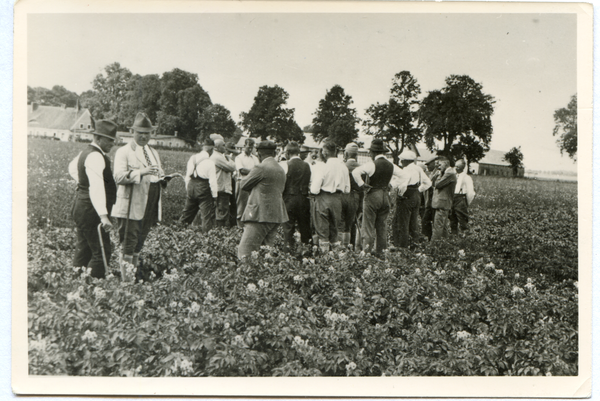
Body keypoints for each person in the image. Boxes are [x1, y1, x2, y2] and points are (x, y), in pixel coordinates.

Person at [112, 112, 167, 279]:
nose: (144, 136)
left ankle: (132, 277)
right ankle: (126, 282)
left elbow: (156, 173)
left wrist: (163, 178)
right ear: (132, 132)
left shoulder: (152, 152)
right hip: (132, 202)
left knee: (139, 242)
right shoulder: (124, 152)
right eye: (140, 133)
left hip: (150, 201)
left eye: (147, 133)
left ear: (152, 134)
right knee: (129, 242)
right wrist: (141, 172)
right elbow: (119, 177)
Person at [68, 119, 118, 279]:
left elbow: (72, 168)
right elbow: (96, 187)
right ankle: (92, 287)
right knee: (101, 253)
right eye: (109, 140)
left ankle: (75, 283)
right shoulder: (96, 156)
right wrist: (104, 216)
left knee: (84, 248)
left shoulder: (86, 152)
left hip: (82, 207)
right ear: (98, 138)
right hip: (91, 211)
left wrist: (82, 184)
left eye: (113, 140)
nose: (112, 144)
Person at [352, 139, 405, 256]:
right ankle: (381, 252)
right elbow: (404, 176)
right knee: (382, 226)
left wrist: (362, 184)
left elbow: (355, 172)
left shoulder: (372, 164)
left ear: (373, 153)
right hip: (385, 196)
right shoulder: (391, 165)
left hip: (373, 195)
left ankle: (366, 251)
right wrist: (392, 185)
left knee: (368, 225)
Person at [238, 140, 289, 259]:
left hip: (259, 215)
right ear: (274, 153)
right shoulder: (280, 169)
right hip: (276, 214)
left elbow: (243, 185)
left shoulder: (260, 167)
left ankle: (246, 276)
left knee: (245, 251)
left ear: (259, 154)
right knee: (266, 252)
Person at [310, 141, 350, 252]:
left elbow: (314, 189)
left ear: (325, 152)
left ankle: (324, 257)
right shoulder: (344, 168)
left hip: (323, 197)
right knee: (335, 230)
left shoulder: (323, 167)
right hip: (337, 199)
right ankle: (335, 257)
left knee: (322, 230)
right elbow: (347, 189)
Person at [391, 149, 432, 248]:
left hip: (406, 196)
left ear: (405, 161)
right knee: (414, 223)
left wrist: (400, 194)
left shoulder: (405, 170)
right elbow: (428, 183)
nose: (400, 162)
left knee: (403, 223)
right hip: (416, 196)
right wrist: (418, 190)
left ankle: (402, 247)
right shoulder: (418, 169)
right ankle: (415, 245)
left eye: (401, 160)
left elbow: (403, 184)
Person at [179, 141, 219, 232]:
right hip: (203, 188)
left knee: (187, 213)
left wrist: (189, 190)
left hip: (191, 186)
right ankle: (206, 238)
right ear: (211, 149)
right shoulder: (210, 163)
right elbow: (213, 181)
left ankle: (178, 232)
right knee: (206, 216)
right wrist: (215, 196)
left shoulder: (193, 158)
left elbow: (187, 177)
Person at [280, 141, 312, 253]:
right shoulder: (307, 165)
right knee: (305, 227)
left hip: (289, 198)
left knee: (288, 228)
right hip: (304, 198)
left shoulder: (285, 165)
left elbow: (281, 183)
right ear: (298, 152)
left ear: (287, 153)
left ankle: (288, 253)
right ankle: (306, 252)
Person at [210, 138, 236, 227]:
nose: (225, 147)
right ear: (217, 147)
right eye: (223, 145)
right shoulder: (217, 157)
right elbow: (232, 167)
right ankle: (220, 231)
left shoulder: (219, 156)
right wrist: (229, 158)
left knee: (220, 210)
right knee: (222, 210)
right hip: (221, 188)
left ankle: (217, 229)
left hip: (220, 187)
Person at [430, 156, 457, 242]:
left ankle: (433, 245)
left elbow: (438, 184)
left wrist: (438, 175)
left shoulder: (449, 173)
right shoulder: (446, 172)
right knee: (443, 226)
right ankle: (445, 244)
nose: (438, 167)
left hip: (442, 203)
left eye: (440, 164)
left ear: (446, 164)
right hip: (443, 203)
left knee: (438, 225)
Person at [340, 142, 361, 249]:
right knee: (352, 222)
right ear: (356, 155)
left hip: (343, 195)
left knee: (342, 223)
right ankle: (350, 246)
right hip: (356, 197)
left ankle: (342, 247)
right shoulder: (361, 168)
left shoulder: (342, 166)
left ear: (346, 154)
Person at [235, 138, 259, 228]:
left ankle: (249, 225)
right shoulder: (239, 158)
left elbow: (259, 169)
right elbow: (242, 170)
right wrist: (254, 172)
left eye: (251, 147)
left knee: (252, 204)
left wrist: (254, 173)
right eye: (248, 147)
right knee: (241, 205)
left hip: (253, 184)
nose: (250, 149)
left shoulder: (255, 158)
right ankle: (239, 226)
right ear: (244, 146)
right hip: (243, 183)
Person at [450, 159, 476, 236]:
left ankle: (465, 233)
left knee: (462, 217)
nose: (456, 168)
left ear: (462, 167)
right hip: (452, 197)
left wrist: (466, 202)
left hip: (461, 198)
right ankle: (454, 233)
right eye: (456, 166)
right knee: (452, 217)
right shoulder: (453, 176)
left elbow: (471, 192)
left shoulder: (466, 177)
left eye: (458, 167)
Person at [421, 155, 438, 240]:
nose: (427, 167)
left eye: (429, 165)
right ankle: (428, 237)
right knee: (426, 220)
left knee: (426, 220)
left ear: (434, 163)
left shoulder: (437, 173)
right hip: (429, 201)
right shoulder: (432, 173)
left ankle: (428, 238)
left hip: (433, 201)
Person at [225, 141, 241, 227]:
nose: (231, 154)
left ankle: (232, 222)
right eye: (229, 152)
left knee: (234, 201)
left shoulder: (235, 158)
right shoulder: (224, 158)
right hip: (226, 180)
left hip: (233, 180)